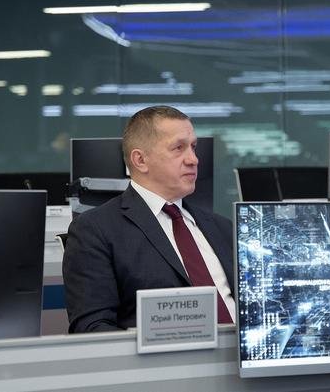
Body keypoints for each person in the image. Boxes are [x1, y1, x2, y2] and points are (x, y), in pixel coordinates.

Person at [62, 106, 235, 332]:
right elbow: (92, 328)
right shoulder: (95, 230)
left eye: (193, 147)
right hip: (162, 353)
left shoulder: (222, 227)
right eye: (178, 148)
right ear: (140, 160)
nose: (193, 159)